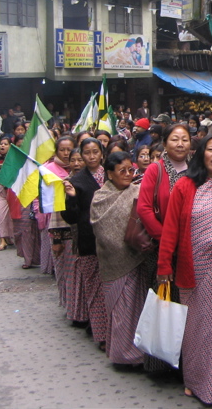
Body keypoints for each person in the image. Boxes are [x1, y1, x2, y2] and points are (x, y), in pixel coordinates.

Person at [157, 134, 212, 404]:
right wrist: (164, 266)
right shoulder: (185, 186)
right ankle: (198, 383)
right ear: (202, 154)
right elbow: (171, 229)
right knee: (201, 329)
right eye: (211, 149)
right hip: (194, 268)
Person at [90, 151, 151, 369]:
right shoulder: (100, 197)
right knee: (121, 311)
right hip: (114, 263)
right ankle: (122, 355)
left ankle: (140, 353)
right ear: (109, 174)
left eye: (130, 170)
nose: (127, 175)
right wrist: (124, 245)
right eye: (122, 171)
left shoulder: (139, 191)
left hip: (139, 260)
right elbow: (104, 231)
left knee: (139, 307)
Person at [63, 137, 109, 348]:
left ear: (101, 153)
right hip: (89, 241)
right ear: (81, 156)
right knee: (94, 290)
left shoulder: (112, 173)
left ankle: (114, 333)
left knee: (111, 289)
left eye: (95, 152)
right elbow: (70, 217)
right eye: (87, 152)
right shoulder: (77, 181)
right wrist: (71, 197)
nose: (92, 156)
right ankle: (101, 335)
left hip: (113, 243)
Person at [136, 124, 191, 245]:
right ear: (165, 144)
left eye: (185, 140)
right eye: (175, 139)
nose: (180, 144)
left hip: (191, 243)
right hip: (161, 243)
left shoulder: (196, 170)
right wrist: (167, 240)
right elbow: (144, 208)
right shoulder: (155, 169)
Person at [45, 136, 75, 308]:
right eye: (62, 149)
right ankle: (67, 304)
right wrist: (56, 238)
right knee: (63, 272)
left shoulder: (79, 172)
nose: (65, 153)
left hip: (77, 233)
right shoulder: (50, 171)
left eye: (69, 149)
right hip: (59, 229)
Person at [11, 133, 40, 270]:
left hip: (32, 197)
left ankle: (29, 259)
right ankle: (25, 254)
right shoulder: (11, 162)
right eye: (18, 146)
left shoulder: (35, 161)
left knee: (28, 230)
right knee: (18, 231)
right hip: (15, 198)